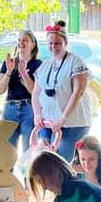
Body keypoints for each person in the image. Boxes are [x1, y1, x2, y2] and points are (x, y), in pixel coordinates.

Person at [32, 20, 92, 160]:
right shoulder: (45, 65)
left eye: (57, 43)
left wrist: (63, 118)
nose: (54, 47)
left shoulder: (76, 62)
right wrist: (37, 115)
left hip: (72, 124)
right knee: (44, 161)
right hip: (48, 123)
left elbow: (78, 92)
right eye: (51, 43)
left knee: (61, 162)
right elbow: (36, 92)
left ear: (65, 43)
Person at [0, 29, 42, 152]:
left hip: (29, 109)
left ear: (33, 44)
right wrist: (9, 71)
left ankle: (26, 172)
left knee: (29, 148)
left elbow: (35, 92)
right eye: (19, 40)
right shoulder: (9, 63)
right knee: (7, 150)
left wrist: (24, 74)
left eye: (25, 40)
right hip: (10, 109)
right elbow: (0, 90)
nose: (21, 43)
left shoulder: (38, 65)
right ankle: (9, 171)